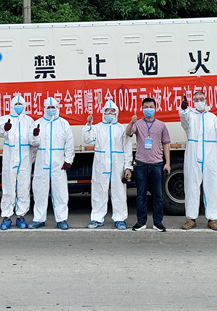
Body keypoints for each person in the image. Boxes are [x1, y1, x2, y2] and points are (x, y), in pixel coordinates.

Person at [83, 99, 133, 230]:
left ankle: (120, 218)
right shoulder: (97, 127)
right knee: (99, 190)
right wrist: (88, 125)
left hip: (118, 164)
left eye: (112, 111)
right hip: (101, 163)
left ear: (116, 112)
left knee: (119, 191)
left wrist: (128, 167)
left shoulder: (122, 129)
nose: (109, 113)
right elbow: (88, 140)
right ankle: (97, 218)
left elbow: (127, 149)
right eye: (107, 111)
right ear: (103, 112)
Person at [178, 91, 217, 231]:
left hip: (211, 156)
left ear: (206, 100)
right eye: (196, 99)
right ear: (193, 101)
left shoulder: (212, 118)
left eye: (201, 99)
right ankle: (191, 219)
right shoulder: (190, 116)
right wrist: (183, 109)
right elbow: (184, 121)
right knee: (191, 186)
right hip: (193, 155)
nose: (199, 101)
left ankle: (212, 219)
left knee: (212, 186)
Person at [28, 97, 75, 230]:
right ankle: (39, 218)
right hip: (42, 161)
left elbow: (69, 143)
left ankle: (61, 219)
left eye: (53, 107)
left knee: (60, 191)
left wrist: (68, 160)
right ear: (44, 108)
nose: (51, 110)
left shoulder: (63, 124)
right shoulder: (38, 123)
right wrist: (35, 135)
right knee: (40, 190)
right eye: (48, 107)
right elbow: (32, 142)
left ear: (57, 107)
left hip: (58, 162)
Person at [125, 97, 171, 232]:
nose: (148, 109)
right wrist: (131, 122)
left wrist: (167, 163)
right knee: (141, 194)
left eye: (151, 107)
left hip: (157, 164)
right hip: (141, 164)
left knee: (158, 195)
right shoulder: (138, 123)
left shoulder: (161, 125)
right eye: (146, 107)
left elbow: (166, 144)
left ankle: (158, 222)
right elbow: (127, 133)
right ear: (142, 109)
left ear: (155, 108)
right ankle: (141, 221)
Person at [0, 95, 35, 230]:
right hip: (10, 156)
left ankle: (21, 215)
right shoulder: (5, 119)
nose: (18, 106)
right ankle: (6, 216)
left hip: (24, 157)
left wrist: (35, 136)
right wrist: (4, 128)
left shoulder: (29, 120)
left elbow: (34, 140)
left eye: (20, 104)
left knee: (23, 187)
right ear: (12, 105)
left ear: (24, 105)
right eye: (16, 104)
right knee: (8, 186)